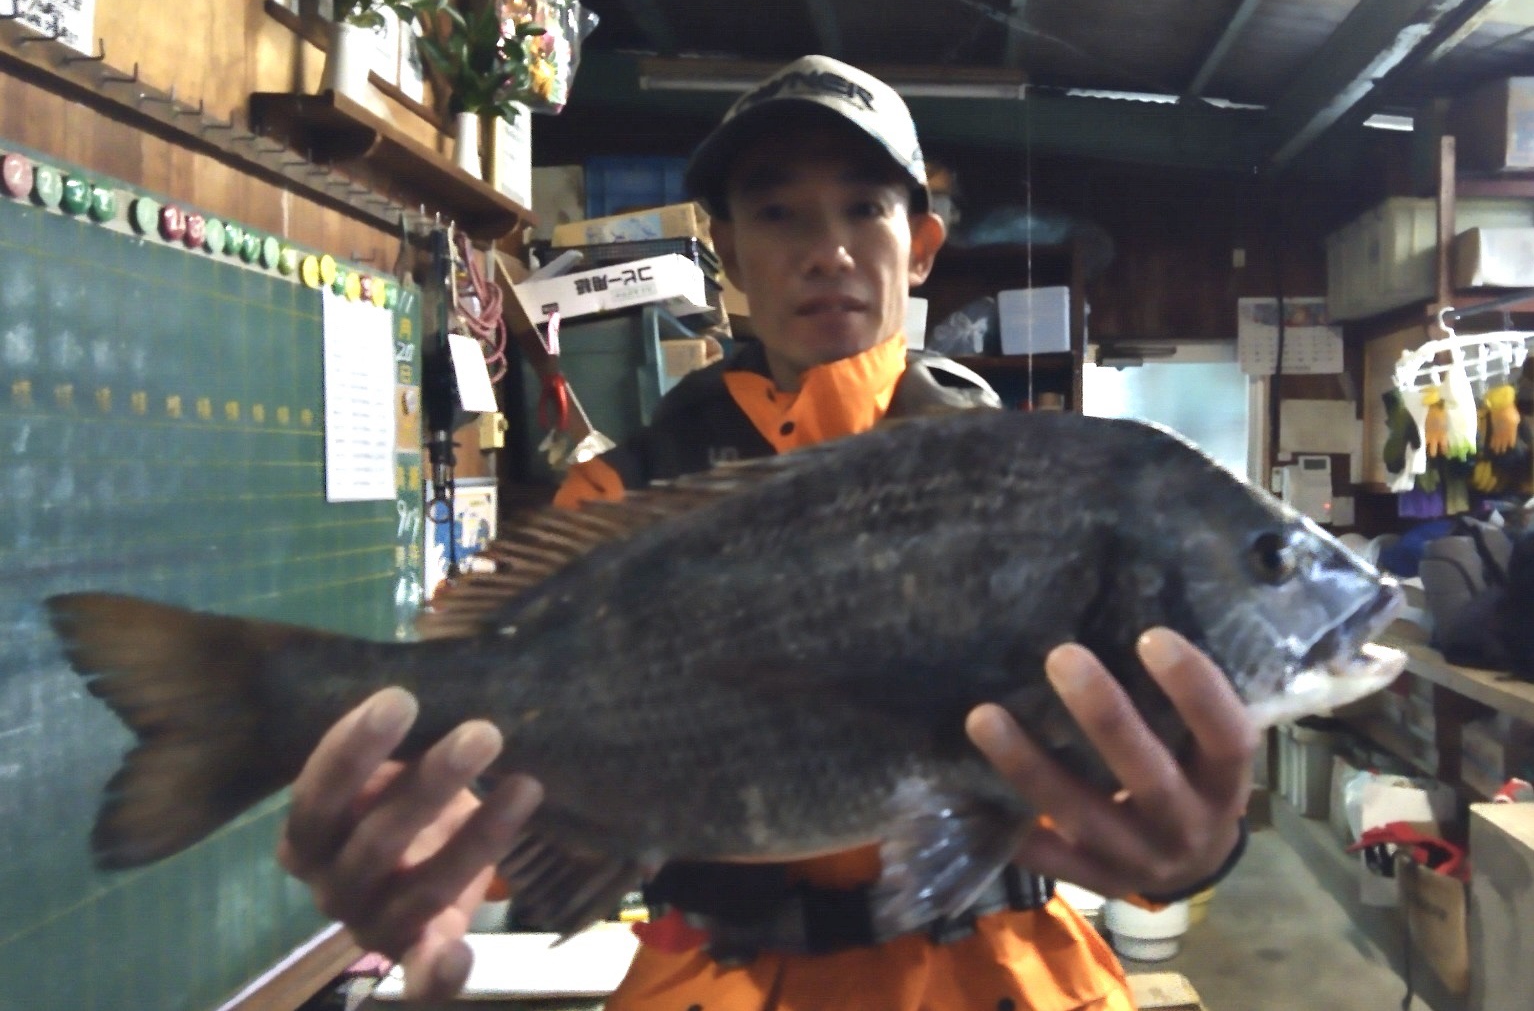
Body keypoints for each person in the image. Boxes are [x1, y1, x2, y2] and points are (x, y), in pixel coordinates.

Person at [279, 55, 1258, 1008]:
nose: (824, 247)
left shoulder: (1038, 493)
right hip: (718, 976)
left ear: (919, 243)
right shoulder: (621, 499)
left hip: (1001, 971)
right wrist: (431, 835)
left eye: (864, 206)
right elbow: (495, 762)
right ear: (731, 251)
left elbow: (1126, 787)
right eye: (777, 210)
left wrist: (1197, 845)